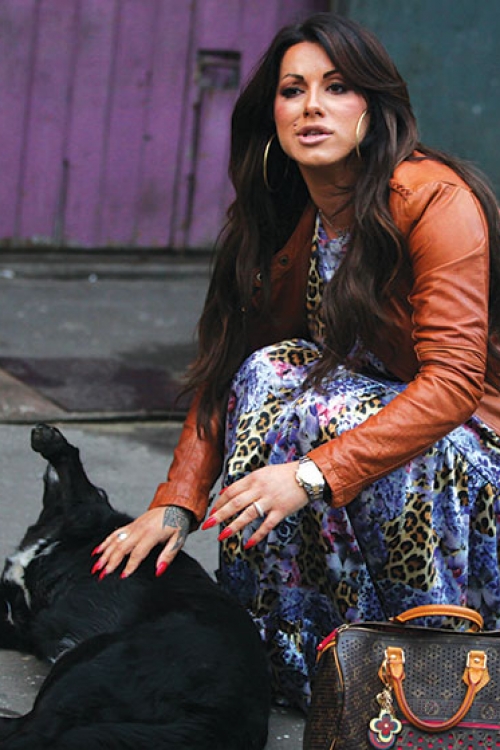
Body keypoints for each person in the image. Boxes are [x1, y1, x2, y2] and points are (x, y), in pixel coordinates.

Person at [91, 13, 500, 712]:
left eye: (336, 87)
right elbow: (232, 363)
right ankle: (292, 656)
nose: (312, 106)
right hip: (359, 450)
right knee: (269, 371)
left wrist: (309, 474)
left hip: (469, 461)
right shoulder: (284, 215)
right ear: (272, 113)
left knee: (327, 407)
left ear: (374, 106)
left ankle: (422, 666)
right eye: (293, 90)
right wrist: (177, 503)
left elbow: (454, 383)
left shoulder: (433, 198)